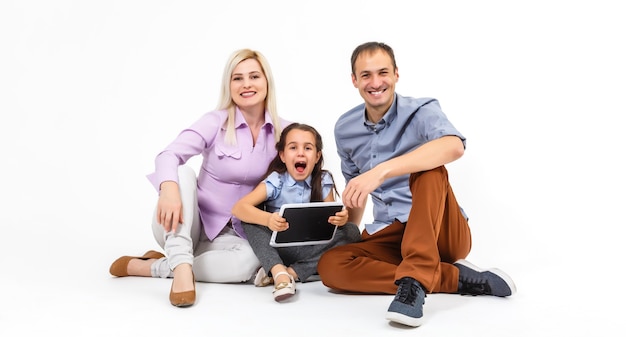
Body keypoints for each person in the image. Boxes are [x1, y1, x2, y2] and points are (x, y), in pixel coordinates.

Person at [317, 42, 516, 327]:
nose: (375, 83)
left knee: (428, 170)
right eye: (366, 75)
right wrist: (347, 229)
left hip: (441, 232)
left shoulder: (421, 110)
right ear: (354, 80)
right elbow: (356, 193)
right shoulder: (345, 128)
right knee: (331, 267)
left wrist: (382, 171)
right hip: (392, 234)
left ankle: (415, 281)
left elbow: (454, 146)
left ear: (396, 74)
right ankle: (452, 278)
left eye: (383, 72)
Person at [109, 48, 290, 307]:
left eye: (254, 76)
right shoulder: (215, 121)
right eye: (237, 78)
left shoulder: (284, 132)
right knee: (182, 172)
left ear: (267, 81)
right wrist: (169, 189)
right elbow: (168, 155)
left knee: (250, 263)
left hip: (234, 234)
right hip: (184, 223)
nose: (246, 84)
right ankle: (181, 268)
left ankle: (156, 266)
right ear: (229, 85)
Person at [232, 123, 361, 302]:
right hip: (277, 248)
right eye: (293, 148)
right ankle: (279, 272)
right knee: (249, 221)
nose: (300, 153)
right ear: (283, 156)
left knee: (352, 231)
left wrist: (341, 219)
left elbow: (331, 219)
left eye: (307, 148)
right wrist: (268, 219)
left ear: (317, 157)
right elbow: (239, 208)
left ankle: (293, 272)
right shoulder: (276, 181)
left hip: (311, 248)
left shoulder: (323, 180)